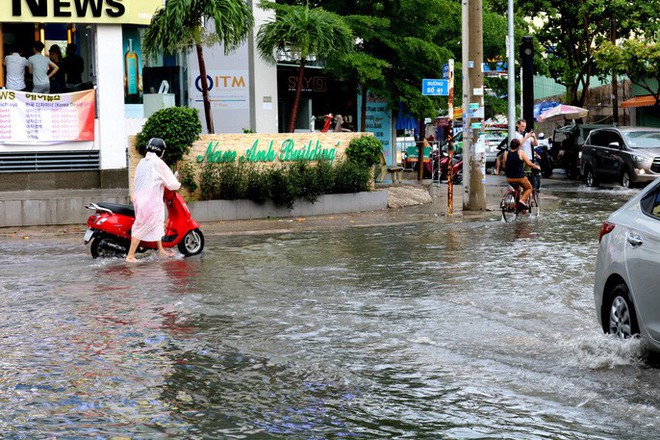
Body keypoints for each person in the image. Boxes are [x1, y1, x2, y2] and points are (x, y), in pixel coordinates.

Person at [126, 138, 181, 263]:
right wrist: (178, 183)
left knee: (156, 223)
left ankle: (160, 250)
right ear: (161, 150)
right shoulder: (158, 163)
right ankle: (130, 256)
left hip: (140, 199)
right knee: (142, 225)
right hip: (150, 201)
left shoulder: (142, 162)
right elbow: (172, 183)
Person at [503, 138, 541, 210]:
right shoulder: (520, 152)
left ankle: (517, 206)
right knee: (529, 188)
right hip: (520, 177)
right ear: (519, 146)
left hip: (509, 178)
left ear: (510, 146)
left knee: (518, 189)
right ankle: (522, 200)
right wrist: (537, 167)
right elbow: (529, 164)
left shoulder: (506, 153)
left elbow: (504, 166)